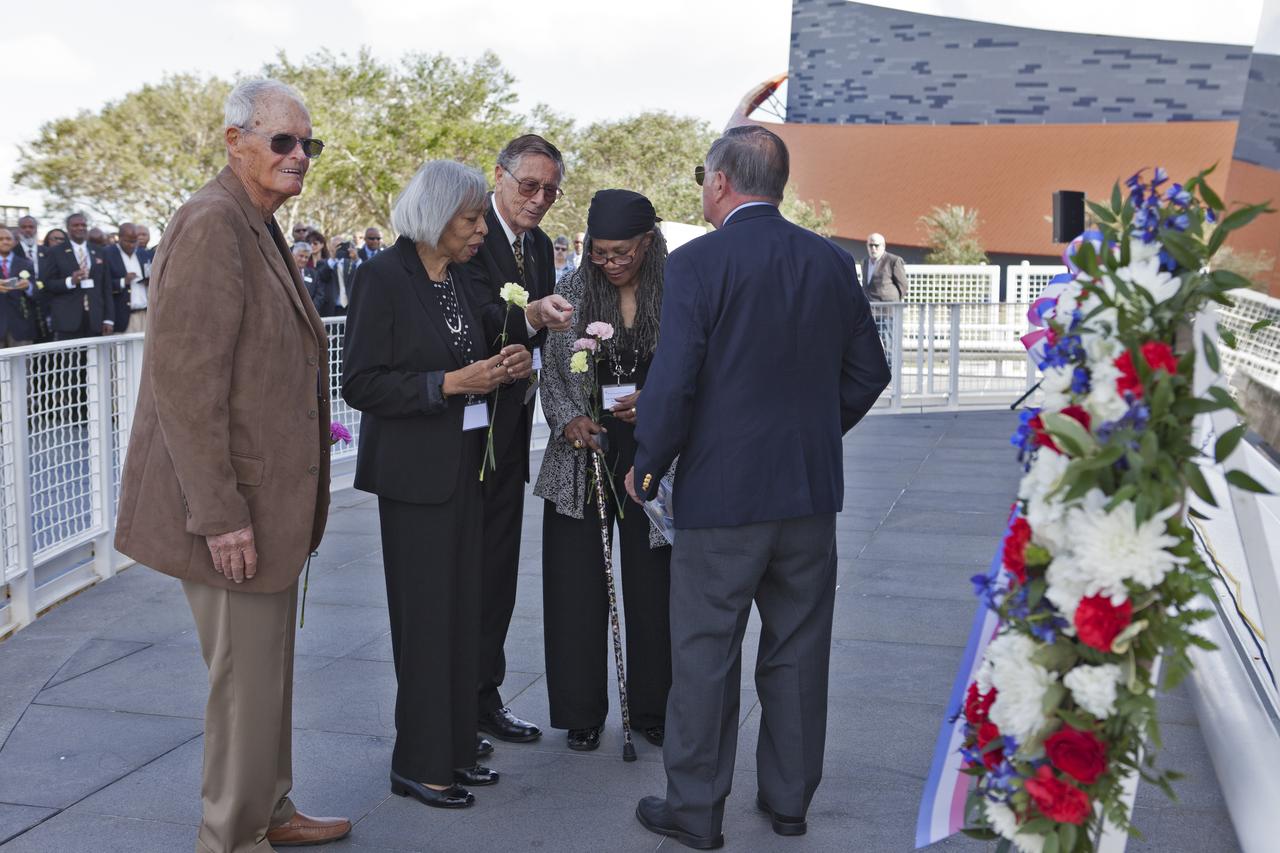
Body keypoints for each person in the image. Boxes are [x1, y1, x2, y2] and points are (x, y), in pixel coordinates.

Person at [626, 125, 890, 849]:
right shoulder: (830, 261)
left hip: (722, 497)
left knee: (707, 650)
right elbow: (871, 371)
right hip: (807, 495)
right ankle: (789, 800)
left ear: (719, 182)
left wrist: (648, 466)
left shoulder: (698, 264)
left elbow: (674, 384)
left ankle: (696, 808)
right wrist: (811, 434)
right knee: (799, 649)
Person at [113, 77, 352, 852]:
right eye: (282, 141)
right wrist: (220, 515)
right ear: (235, 140)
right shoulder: (213, 221)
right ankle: (230, 834)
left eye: (306, 144)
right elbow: (186, 386)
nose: (298, 157)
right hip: (233, 507)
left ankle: (270, 809)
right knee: (242, 683)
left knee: (265, 672)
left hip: (267, 503)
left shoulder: (255, 220)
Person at [342, 159, 568, 810]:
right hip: (415, 478)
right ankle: (418, 761)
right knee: (426, 623)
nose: (479, 230)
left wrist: (510, 358)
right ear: (436, 217)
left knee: (463, 613)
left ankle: (455, 748)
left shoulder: (464, 280)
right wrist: (449, 384)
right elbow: (361, 381)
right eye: (470, 219)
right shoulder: (381, 277)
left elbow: (488, 343)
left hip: (470, 467)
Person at [534, 190, 671, 753]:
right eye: (600, 252)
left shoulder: (677, 292)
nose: (610, 263)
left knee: (654, 585)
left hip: (656, 452)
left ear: (648, 243)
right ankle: (580, 710)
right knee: (576, 585)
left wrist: (658, 403)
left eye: (622, 253)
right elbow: (552, 368)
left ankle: (654, 708)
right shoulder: (570, 289)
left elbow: (695, 365)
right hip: (583, 450)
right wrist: (569, 419)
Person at [465, 133, 574, 747]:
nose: (538, 199)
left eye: (550, 190)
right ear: (498, 176)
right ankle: (458, 700)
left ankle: (487, 694)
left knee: (501, 568)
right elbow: (465, 320)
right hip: (464, 432)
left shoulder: (536, 247)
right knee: (467, 573)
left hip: (511, 430)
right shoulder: (468, 231)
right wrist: (530, 317)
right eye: (528, 185)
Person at [40, 212, 113, 339]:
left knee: (95, 358)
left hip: (95, 318)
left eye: (83, 225)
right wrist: (70, 281)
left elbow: (106, 287)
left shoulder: (99, 251)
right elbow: (47, 284)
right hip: (67, 319)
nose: (80, 228)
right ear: (68, 228)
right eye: (76, 225)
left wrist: (108, 319)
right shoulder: (55, 252)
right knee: (70, 358)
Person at [104, 222, 149, 334]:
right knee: (123, 352)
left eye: (134, 241)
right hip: (123, 318)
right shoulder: (108, 254)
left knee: (144, 351)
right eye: (128, 241)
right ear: (119, 238)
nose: (132, 245)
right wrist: (123, 281)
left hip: (145, 314)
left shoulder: (144, 254)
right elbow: (103, 286)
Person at [0, 227, 39, 347]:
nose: (5, 242)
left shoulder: (26, 263)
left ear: (15, 242)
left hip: (21, 327)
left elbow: (37, 293)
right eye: (1, 239)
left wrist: (28, 286)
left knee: (22, 365)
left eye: (8, 239)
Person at [863, 233, 908, 302]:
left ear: (883, 246)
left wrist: (894, 301)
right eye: (870, 245)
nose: (873, 248)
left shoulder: (893, 261)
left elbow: (903, 285)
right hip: (870, 306)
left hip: (887, 307)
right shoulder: (865, 262)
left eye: (876, 245)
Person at [306, 229, 337, 315]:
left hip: (328, 304)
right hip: (311, 304)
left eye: (315, 243)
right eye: (309, 243)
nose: (312, 246)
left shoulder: (329, 262)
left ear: (322, 245)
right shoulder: (305, 264)